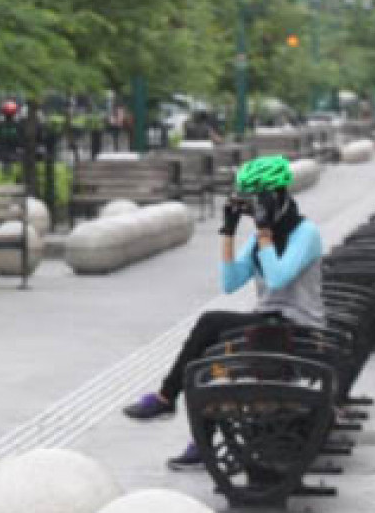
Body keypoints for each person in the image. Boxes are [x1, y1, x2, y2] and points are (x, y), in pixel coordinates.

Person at [121, 156, 325, 469]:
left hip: (300, 331)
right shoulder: (261, 238)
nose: (253, 207)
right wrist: (228, 232)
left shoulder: (305, 233)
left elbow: (278, 277)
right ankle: (197, 437)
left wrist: (265, 232)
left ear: (278, 197)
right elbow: (230, 283)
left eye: (258, 199)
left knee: (211, 323)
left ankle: (167, 401)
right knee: (206, 356)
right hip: (269, 327)